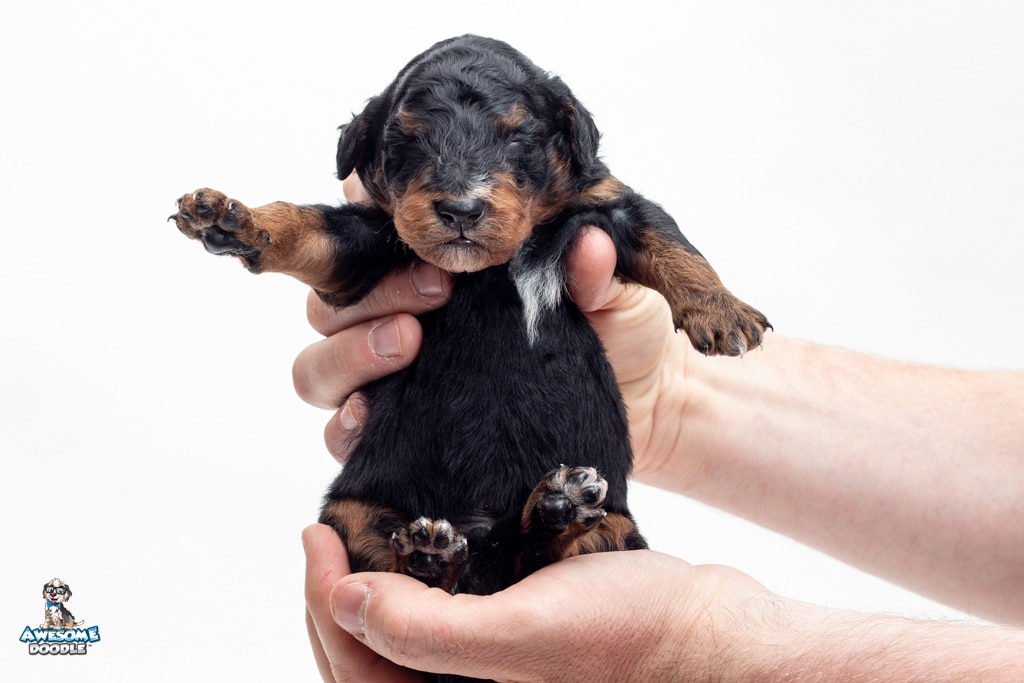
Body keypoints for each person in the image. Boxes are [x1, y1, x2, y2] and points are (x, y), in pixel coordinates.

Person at [295, 177, 1024, 681]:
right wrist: (668, 391)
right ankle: (482, 544)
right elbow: (321, 238)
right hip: (450, 487)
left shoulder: (583, 198)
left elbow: (639, 226)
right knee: (369, 517)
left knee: (574, 525)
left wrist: (698, 654)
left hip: (530, 520)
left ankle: (539, 532)